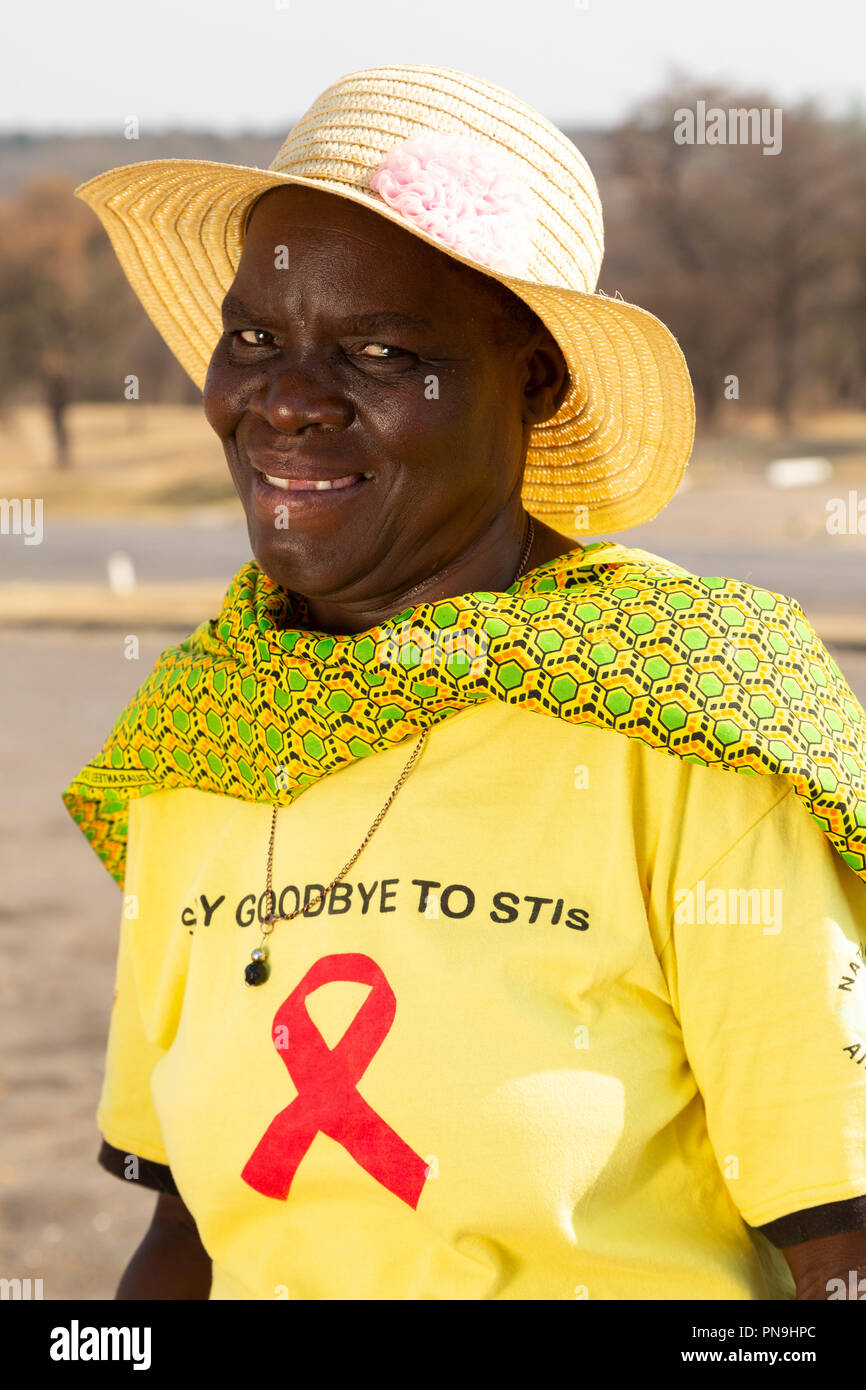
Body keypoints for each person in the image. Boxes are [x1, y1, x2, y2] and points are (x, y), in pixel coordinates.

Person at [63, 64, 866, 1301]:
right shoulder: (201, 733)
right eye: (256, 340)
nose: (283, 400)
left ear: (534, 380)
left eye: (381, 351)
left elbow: (840, 1247)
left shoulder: (688, 720)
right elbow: (191, 1237)